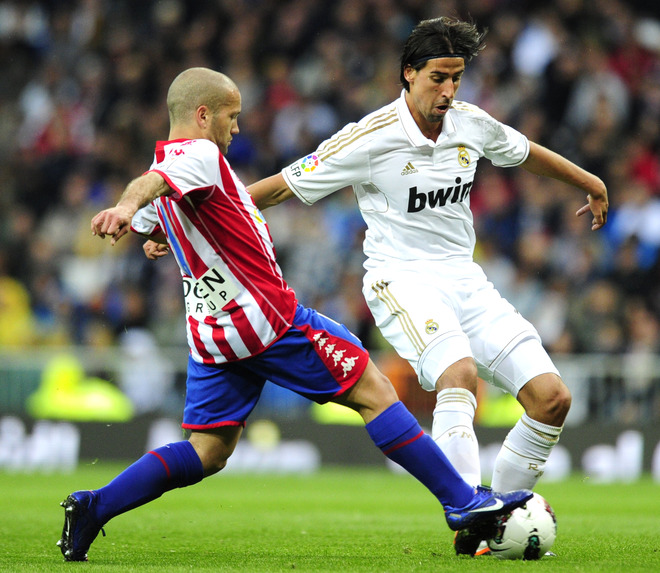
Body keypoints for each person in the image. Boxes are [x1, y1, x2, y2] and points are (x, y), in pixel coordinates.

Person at [57, 67, 533, 562]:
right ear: (203, 116)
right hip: (268, 321)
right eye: (230, 116)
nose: (236, 127)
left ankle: (94, 507)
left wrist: (148, 229)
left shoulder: (176, 172)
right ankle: (463, 502)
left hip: (214, 336)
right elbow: (148, 187)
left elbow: (157, 212)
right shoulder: (196, 155)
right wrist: (122, 204)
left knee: (208, 451)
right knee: (375, 392)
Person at [247, 17, 609, 556]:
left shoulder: (470, 124)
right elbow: (277, 189)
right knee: (457, 375)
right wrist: (182, 220)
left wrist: (591, 182)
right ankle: (468, 511)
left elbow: (525, 151)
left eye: (457, 78)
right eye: (439, 77)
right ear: (408, 74)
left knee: (552, 399)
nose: (449, 90)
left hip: (466, 278)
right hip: (401, 277)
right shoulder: (370, 137)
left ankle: (501, 515)